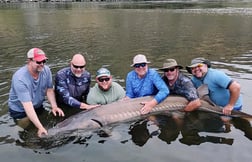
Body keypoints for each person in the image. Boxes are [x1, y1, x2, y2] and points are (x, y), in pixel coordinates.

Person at [8, 47, 65, 137]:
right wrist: (40, 127)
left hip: (37, 105)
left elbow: (49, 90)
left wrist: (54, 106)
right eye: (38, 62)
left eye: (44, 61)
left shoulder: (46, 70)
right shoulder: (20, 78)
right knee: (26, 130)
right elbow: (28, 106)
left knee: (47, 121)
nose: (42, 64)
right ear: (29, 61)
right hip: (20, 110)